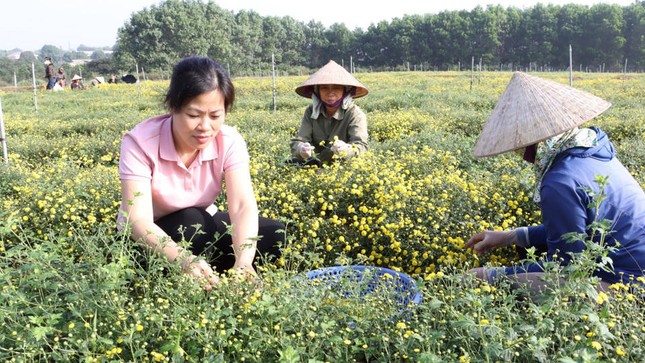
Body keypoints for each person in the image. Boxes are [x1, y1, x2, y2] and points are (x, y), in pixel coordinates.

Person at [464, 72, 645, 296]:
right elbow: (577, 231)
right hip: (633, 265)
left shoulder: (559, 181)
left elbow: (566, 268)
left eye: (520, 145)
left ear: (534, 143)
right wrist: (511, 236)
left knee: (484, 283)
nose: (519, 153)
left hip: (630, 284)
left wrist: (493, 275)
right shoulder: (593, 148)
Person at [117, 56, 284, 291]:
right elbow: (138, 220)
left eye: (215, 116)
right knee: (192, 222)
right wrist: (184, 260)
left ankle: (219, 276)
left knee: (274, 234)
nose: (205, 127)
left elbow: (242, 205)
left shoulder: (229, 140)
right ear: (172, 106)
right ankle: (192, 273)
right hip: (148, 237)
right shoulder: (140, 142)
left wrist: (244, 261)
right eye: (194, 115)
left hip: (199, 228)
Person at [289, 60, 368, 166]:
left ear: (345, 91)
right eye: (324, 88)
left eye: (336, 88)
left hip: (343, 167)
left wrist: (346, 150)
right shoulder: (310, 112)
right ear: (317, 91)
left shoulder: (355, 114)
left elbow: (361, 147)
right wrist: (302, 149)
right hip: (314, 165)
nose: (330, 93)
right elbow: (299, 140)